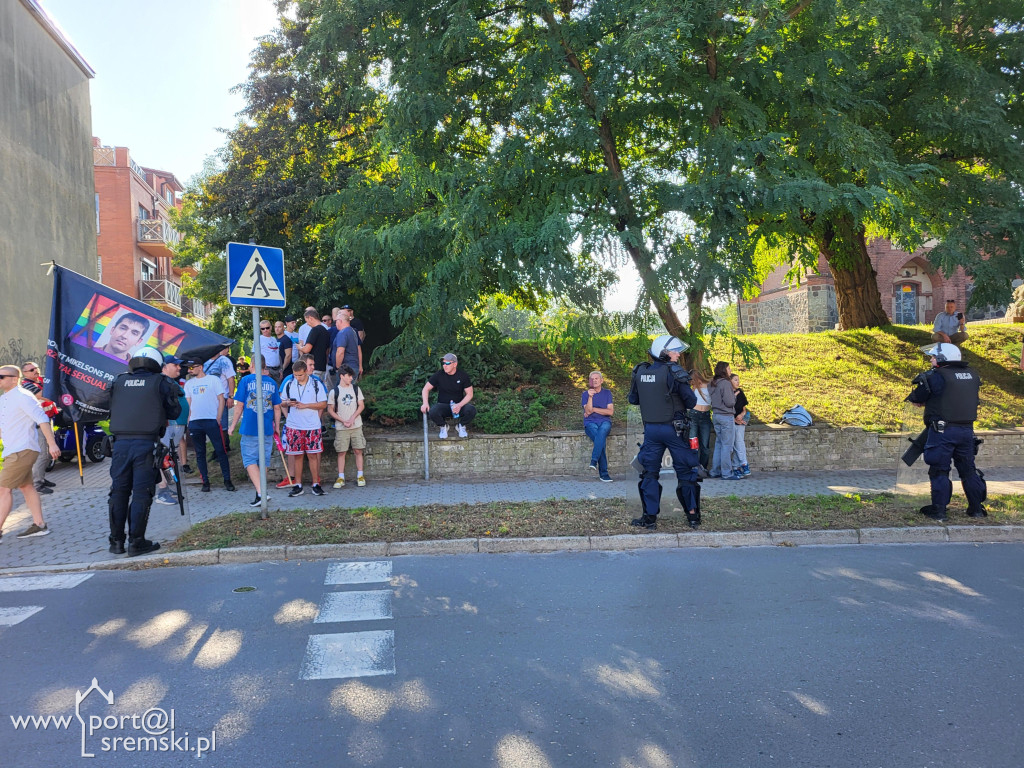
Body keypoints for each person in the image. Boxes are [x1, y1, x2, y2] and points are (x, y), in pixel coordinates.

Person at [106, 348, 181, 556]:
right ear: (157, 363)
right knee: (141, 494)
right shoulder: (161, 382)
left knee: (118, 492)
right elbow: (175, 411)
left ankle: (116, 542)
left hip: (119, 445)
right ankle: (136, 542)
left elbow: (109, 405)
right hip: (146, 444)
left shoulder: (119, 380)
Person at [906, 342, 987, 521]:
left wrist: (924, 401)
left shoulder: (937, 376)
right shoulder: (972, 375)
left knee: (939, 471)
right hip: (966, 432)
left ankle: (939, 511)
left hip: (942, 432)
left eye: (934, 357)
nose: (931, 359)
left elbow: (917, 398)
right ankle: (976, 510)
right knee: (968, 471)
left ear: (942, 359)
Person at [627, 335, 700, 530]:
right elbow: (692, 402)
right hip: (674, 429)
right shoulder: (674, 372)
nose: (678, 354)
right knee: (685, 471)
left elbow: (633, 399)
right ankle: (692, 516)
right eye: (675, 350)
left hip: (651, 430)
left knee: (649, 473)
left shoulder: (640, 371)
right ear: (664, 353)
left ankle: (649, 518)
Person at [0, 364, 61, 541]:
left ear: (14, 378)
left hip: (23, 449)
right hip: (13, 450)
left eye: (1, 376)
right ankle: (39, 525)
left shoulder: (24, 396)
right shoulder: (5, 398)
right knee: (26, 486)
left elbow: (42, 419)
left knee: (3, 489)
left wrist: (52, 444)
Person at [228, 358, 282, 508]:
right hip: (266, 428)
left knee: (249, 460)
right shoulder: (271, 383)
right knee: (263, 460)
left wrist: (232, 426)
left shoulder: (245, 380)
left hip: (250, 427)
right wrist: (277, 426)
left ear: (252, 365)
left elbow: (239, 406)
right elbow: (277, 408)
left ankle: (261, 492)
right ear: (265, 366)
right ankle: (260, 493)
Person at [184, 361, 235, 493]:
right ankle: (205, 481)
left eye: (192, 367)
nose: (189, 370)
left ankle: (227, 480)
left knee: (220, 450)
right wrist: (189, 420)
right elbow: (188, 403)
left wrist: (218, 417)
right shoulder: (189, 384)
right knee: (200, 453)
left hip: (211, 420)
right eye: (188, 368)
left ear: (200, 367)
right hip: (196, 422)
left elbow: (221, 399)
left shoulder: (213, 380)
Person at [281, 360, 328, 497]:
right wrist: (288, 403)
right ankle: (298, 485)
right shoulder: (289, 383)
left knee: (313, 455)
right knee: (297, 456)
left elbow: (323, 404)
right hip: (294, 425)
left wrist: (306, 405)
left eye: (300, 375)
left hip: (311, 425)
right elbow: (281, 402)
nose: (297, 378)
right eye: (295, 375)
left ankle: (315, 484)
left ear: (306, 371)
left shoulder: (315, 384)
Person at [154, 355, 188, 506]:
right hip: (169, 426)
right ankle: (162, 490)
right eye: (175, 365)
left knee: (166, 458)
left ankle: (166, 488)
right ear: (165, 367)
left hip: (176, 426)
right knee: (160, 457)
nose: (179, 368)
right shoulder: (160, 382)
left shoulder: (170, 382)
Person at [20, 361, 57, 495]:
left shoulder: (40, 381)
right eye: (31, 370)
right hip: (37, 425)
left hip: (46, 421)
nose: (35, 371)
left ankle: (41, 478)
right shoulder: (27, 385)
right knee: (42, 454)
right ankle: (37, 484)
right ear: (24, 373)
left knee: (47, 453)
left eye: (36, 368)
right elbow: (45, 395)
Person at [327, 364, 367, 488]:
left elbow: (361, 405)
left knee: (358, 450)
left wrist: (352, 418)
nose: (351, 378)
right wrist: (342, 420)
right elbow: (330, 409)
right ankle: (341, 477)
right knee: (341, 452)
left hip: (356, 425)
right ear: (342, 376)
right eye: (349, 376)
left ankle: (360, 475)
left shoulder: (355, 389)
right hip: (341, 427)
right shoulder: (334, 392)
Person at [420, 353, 476, 439]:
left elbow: (470, 394)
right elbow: (425, 389)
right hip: (443, 405)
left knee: (471, 410)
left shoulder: (463, 376)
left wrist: (459, 405)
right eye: (443, 363)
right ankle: (443, 426)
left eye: (447, 363)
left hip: (458, 406)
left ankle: (461, 426)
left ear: (455, 364)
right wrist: (425, 403)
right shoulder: (439, 374)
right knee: (433, 411)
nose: (444, 366)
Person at [708, 361, 742, 480]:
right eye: (728, 369)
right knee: (727, 445)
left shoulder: (712, 383)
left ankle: (715, 471)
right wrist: (734, 396)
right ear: (724, 370)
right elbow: (730, 402)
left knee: (719, 444)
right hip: (726, 416)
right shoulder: (725, 384)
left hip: (716, 415)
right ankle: (727, 473)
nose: (730, 371)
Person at [581, 370, 614, 482]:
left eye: (596, 378)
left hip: (605, 422)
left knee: (602, 431)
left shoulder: (607, 393)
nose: (594, 380)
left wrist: (594, 409)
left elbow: (610, 412)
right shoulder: (585, 394)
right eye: (592, 379)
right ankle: (603, 474)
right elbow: (588, 411)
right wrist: (590, 398)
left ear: (601, 380)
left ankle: (594, 461)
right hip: (590, 423)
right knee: (601, 441)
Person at [203, 346, 236, 443]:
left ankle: (225, 446)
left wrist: (230, 396)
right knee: (212, 424)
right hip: (209, 398)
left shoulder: (224, 361)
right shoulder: (205, 361)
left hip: (222, 397)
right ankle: (217, 447)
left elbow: (231, 379)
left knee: (223, 424)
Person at [688, 368, 712, 476]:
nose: (691, 382)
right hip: (694, 415)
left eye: (692, 380)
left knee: (705, 445)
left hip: (706, 415)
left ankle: (703, 467)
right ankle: (694, 467)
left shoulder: (709, 386)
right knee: (693, 443)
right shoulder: (693, 388)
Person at [298, 308, 331, 381]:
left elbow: (307, 349)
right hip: (323, 366)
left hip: (313, 367)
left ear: (311, 318)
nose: (307, 324)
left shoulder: (315, 330)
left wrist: (299, 347)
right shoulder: (325, 330)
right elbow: (327, 350)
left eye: (307, 321)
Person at [332, 311, 360, 386]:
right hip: (353, 366)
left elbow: (340, 351)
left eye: (336, 321)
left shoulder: (343, 333)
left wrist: (338, 367)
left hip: (346, 369)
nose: (335, 324)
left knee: (342, 393)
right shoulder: (352, 331)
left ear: (340, 321)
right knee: (350, 392)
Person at [730, 373, 751, 477]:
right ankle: (744, 463)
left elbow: (744, 409)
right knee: (737, 443)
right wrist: (735, 419)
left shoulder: (740, 392)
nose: (737, 382)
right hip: (731, 421)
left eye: (738, 380)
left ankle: (735, 467)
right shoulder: (727, 394)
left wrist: (741, 415)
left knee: (739, 443)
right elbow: (726, 410)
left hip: (740, 420)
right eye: (735, 380)